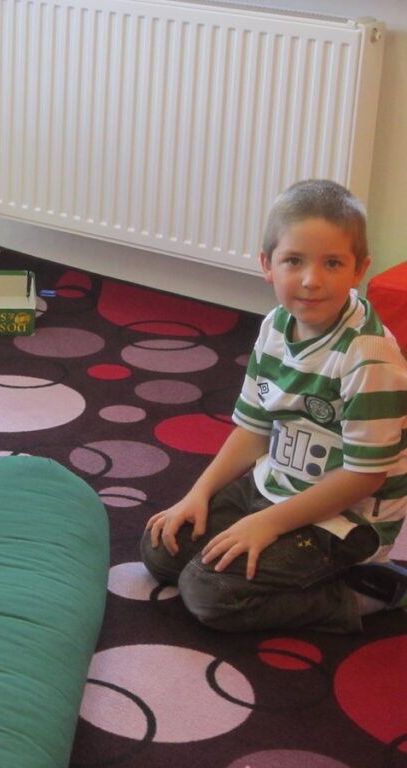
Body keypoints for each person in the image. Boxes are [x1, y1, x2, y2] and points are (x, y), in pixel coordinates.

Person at [142, 179, 407, 633]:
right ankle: (281, 556)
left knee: (210, 594)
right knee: (162, 549)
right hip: (276, 485)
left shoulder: (369, 356)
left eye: (332, 263)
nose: (311, 280)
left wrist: (267, 524)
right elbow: (253, 427)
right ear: (268, 265)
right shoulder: (275, 325)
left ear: (359, 270)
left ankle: (366, 592)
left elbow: (366, 476)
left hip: (346, 518)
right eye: (294, 261)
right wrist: (197, 494)